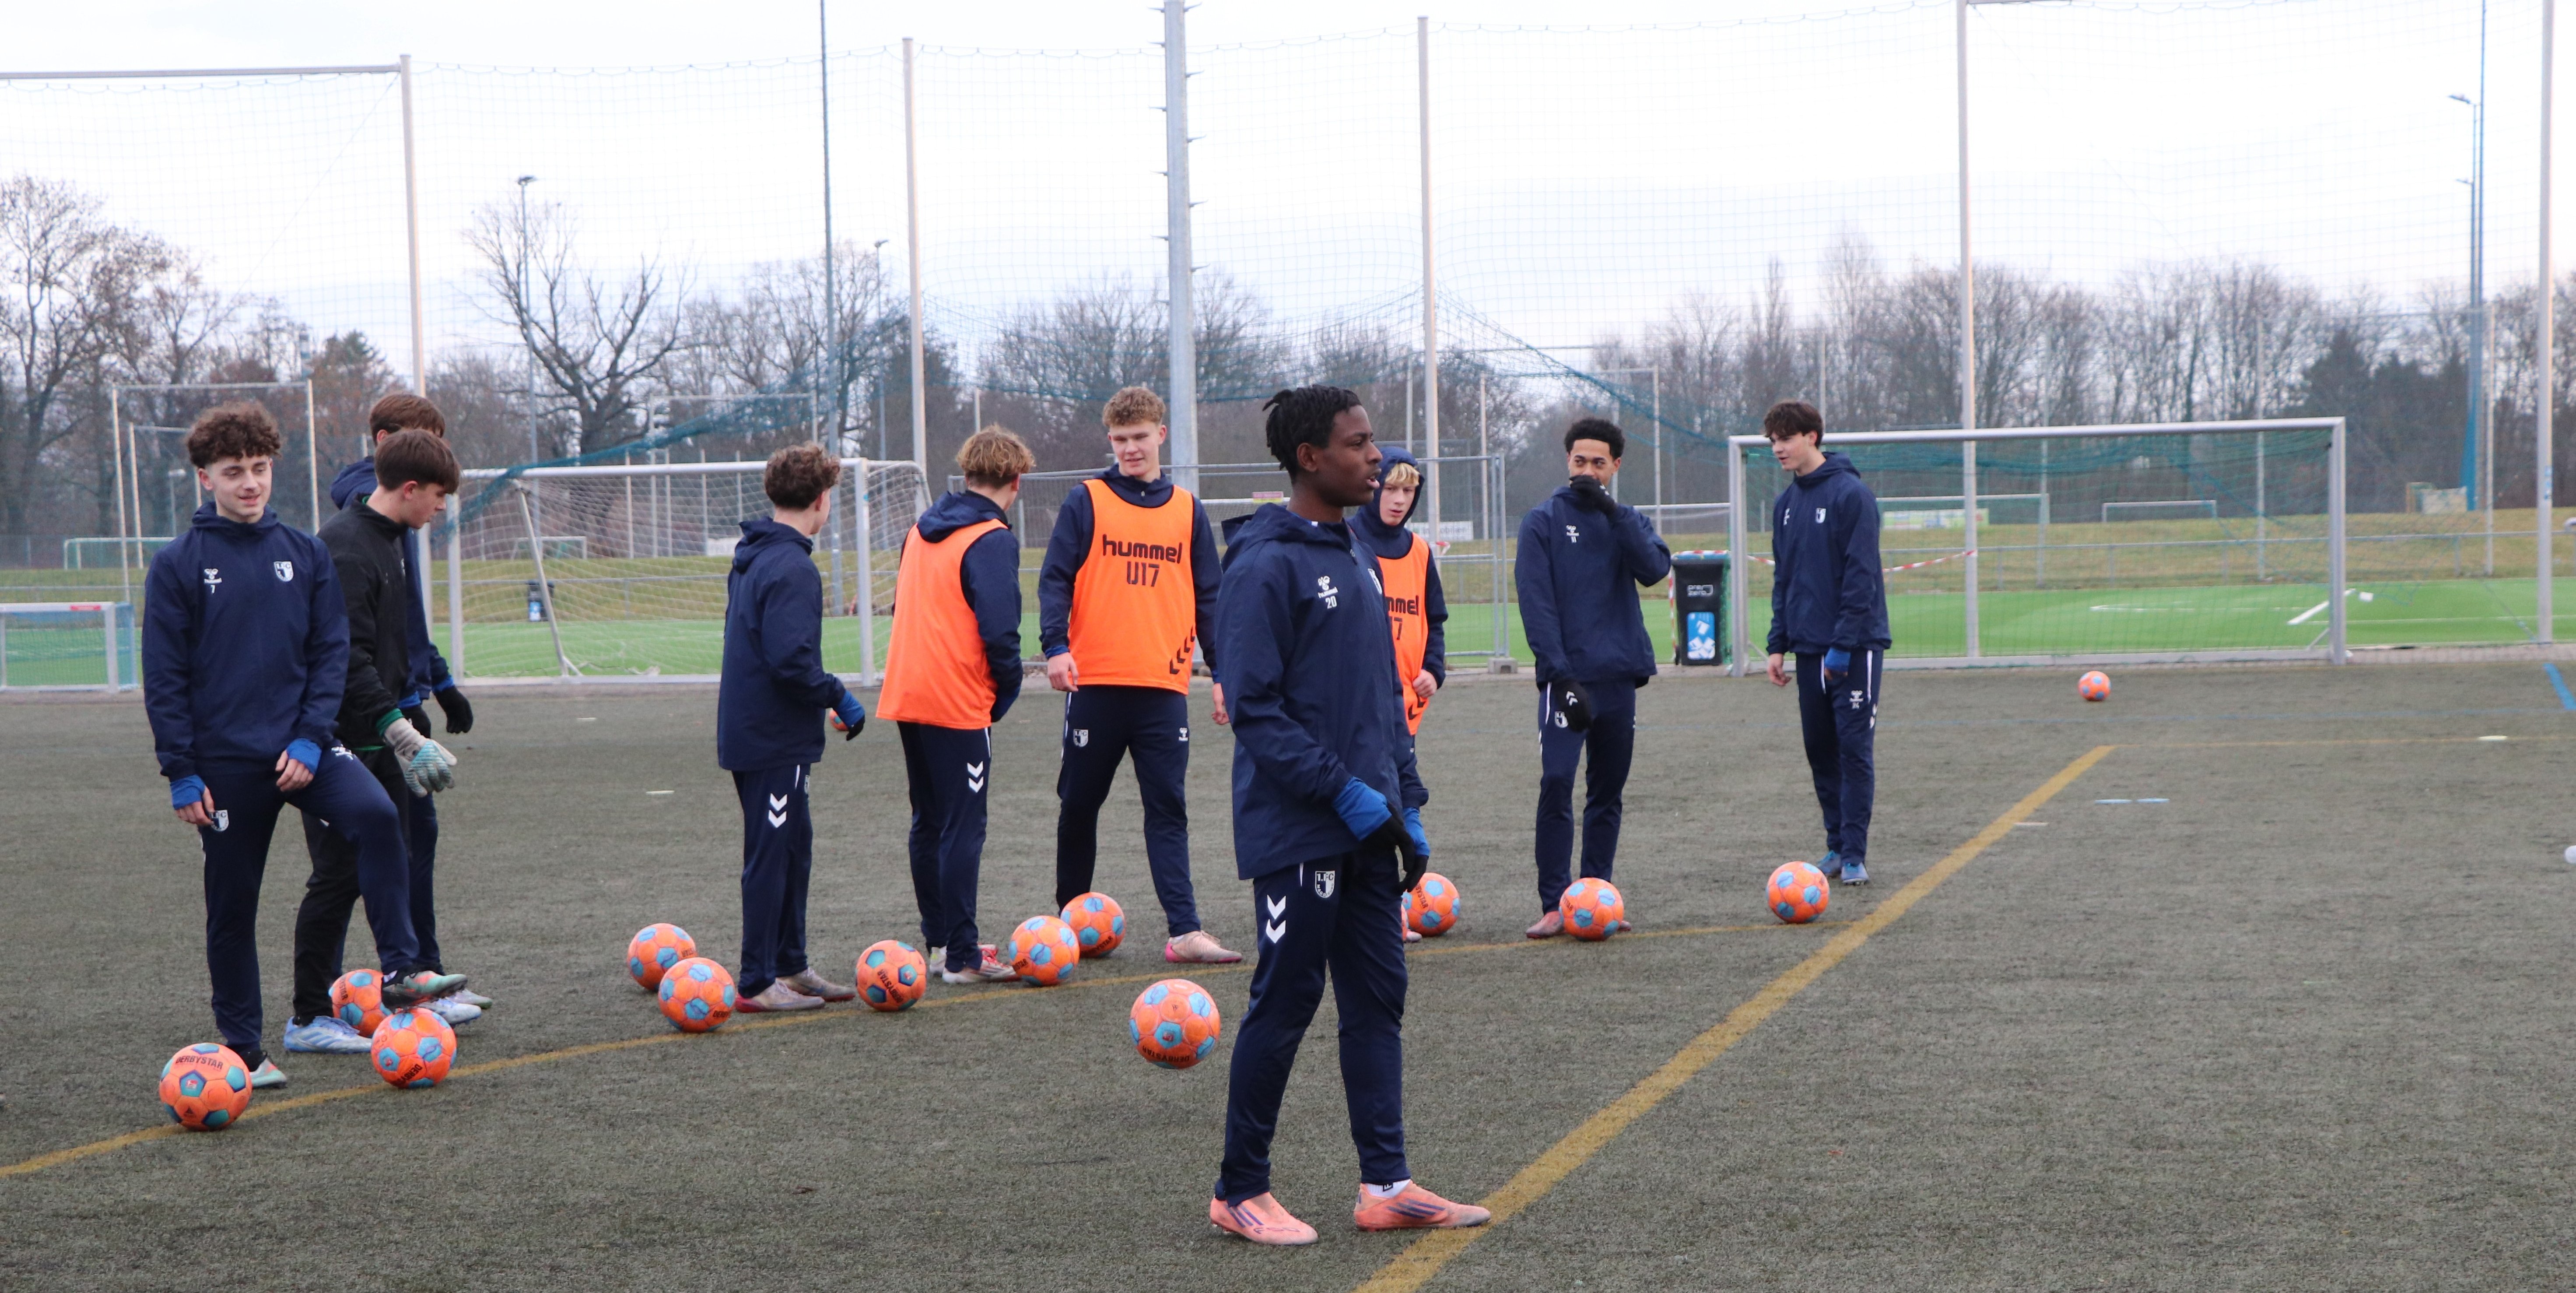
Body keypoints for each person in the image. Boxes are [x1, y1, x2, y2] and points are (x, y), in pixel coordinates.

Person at [1206, 385, 1486, 1246]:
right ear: (1309, 458)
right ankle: (1238, 1189)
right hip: (1300, 826)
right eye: (1358, 443)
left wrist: (1405, 800)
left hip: (1369, 825)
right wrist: (1344, 792)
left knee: (1377, 996)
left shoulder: (1357, 553)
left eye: (1374, 441)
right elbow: (1255, 711)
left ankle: (1386, 1184)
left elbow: (1380, 698)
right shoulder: (1263, 565)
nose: (1376, 457)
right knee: (1287, 997)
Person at [145, 404, 465, 1087]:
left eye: (260, 468)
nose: (250, 483)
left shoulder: (304, 551)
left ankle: (401, 969)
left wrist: (312, 739)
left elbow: (329, 657)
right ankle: (243, 1048)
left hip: (305, 749)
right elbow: (165, 678)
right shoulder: (177, 566)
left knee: (378, 815)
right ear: (206, 478)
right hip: (225, 765)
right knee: (233, 903)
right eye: (234, 471)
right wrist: (181, 771)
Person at [285, 427, 477, 1056]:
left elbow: (393, 650)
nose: (442, 508)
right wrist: (400, 731)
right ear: (411, 488)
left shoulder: (392, 540)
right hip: (335, 739)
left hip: (380, 733)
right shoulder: (345, 548)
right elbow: (347, 662)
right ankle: (308, 1015)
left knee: (394, 845)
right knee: (337, 876)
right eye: (439, 496)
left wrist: (417, 708)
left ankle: (405, 974)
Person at [1038, 386, 1239, 965]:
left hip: (1162, 691)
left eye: (1140, 437)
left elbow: (1210, 598)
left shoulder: (1187, 509)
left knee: (1168, 809)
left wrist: (1222, 672)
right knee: (1079, 805)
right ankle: (1068, 922)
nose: (1130, 448)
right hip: (1095, 684)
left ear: (1160, 435)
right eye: (1120, 439)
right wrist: (1056, 646)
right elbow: (1055, 579)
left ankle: (1185, 931)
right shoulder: (1086, 500)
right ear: (1110, 440)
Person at [718, 443, 872, 1011]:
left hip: (761, 731)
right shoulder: (791, 565)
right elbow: (791, 661)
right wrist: (838, 696)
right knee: (770, 852)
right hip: (770, 737)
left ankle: (789, 962)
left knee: (792, 848)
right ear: (822, 500)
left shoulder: (756, 555)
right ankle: (757, 981)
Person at [880, 427, 1033, 984]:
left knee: (928, 821)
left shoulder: (920, 529)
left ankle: (942, 942)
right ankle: (964, 956)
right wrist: (1004, 692)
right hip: (956, 698)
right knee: (963, 826)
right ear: (1016, 482)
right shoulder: (991, 538)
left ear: (966, 476)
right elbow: (1001, 632)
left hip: (908, 691)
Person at [1513, 417, 1672, 938]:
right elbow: (1536, 604)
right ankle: (1554, 903)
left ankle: (1597, 896)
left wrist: (1613, 512)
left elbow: (1654, 569)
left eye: (1598, 462)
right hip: (1567, 682)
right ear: (1568, 461)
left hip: (1618, 677)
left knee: (1607, 792)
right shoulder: (1542, 521)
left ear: (1615, 466)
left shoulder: (1625, 519)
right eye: (1579, 460)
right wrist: (1560, 676)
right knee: (1557, 782)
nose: (1587, 470)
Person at [1760, 399, 1890, 886]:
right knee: (1819, 750)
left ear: (1812, 437)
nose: (1778, 448)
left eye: (1786, 439)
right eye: (1773, 441)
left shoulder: (1851, 495)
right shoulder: (1785, 506)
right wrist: (1778, 643)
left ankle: (1855, 854)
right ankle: (1835, 846)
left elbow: (1861, 577)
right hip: (1808, 649)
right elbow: (1784, 580)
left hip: (1853, 649)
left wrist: (1843, 645)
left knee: (1853, 749)